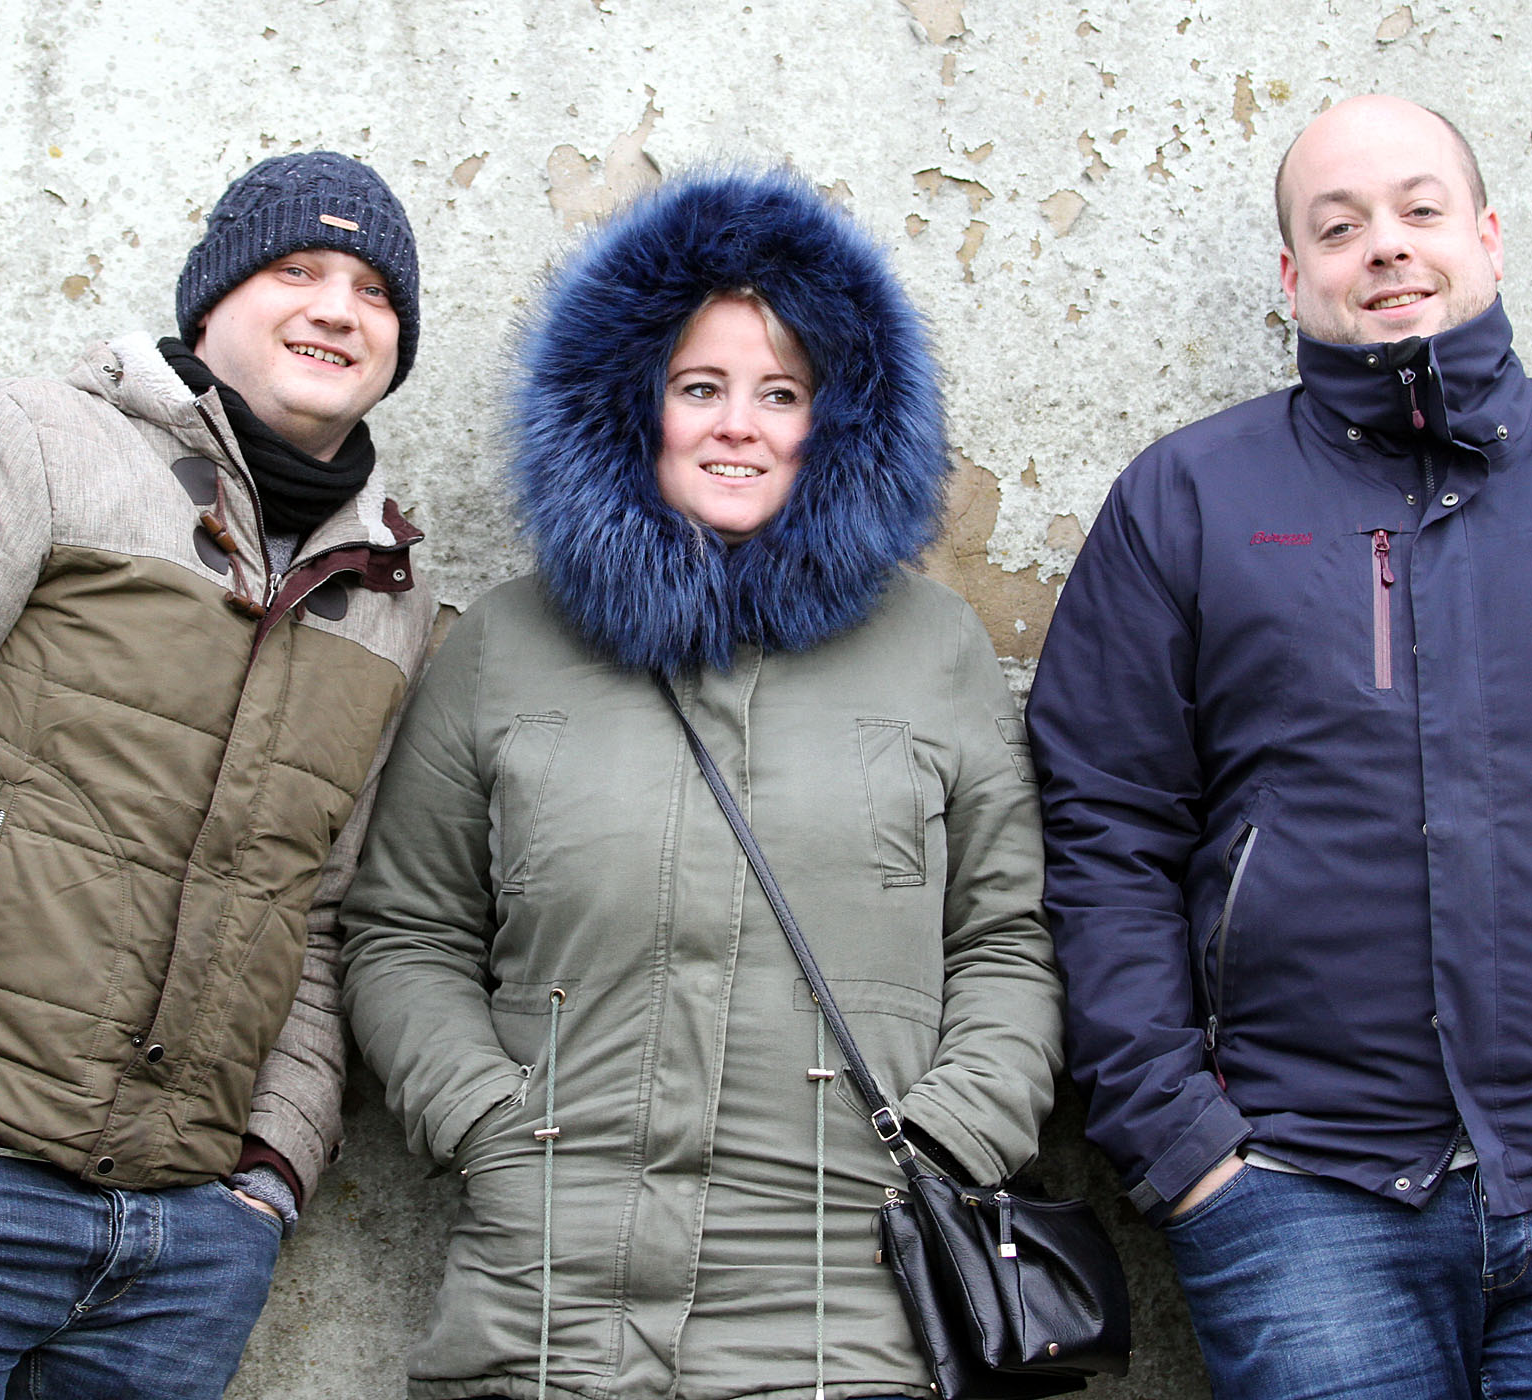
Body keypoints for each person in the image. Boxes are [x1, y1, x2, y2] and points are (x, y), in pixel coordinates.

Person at [1029, 94, 1532, 1399]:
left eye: (1419, 209)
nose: (1385, 244)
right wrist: (1189, 1152)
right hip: (1305, 1201)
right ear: (1293, 276)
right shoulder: (1186, 498)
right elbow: (1101, 832)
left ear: (1488, 236)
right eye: (1339, 227)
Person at [340, 168, 1062, 1400]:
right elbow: (405, 929)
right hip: (544, 1307)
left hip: (848, 1310)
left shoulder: (935, 647)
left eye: (782, 393)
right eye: (700, 387)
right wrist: (486, 1124)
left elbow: (1006, 937)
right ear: (635, 405)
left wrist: (949, 1138)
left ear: (840, 420)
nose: (740, 424)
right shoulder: (505, 643)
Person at [0, 150, 433, 1399]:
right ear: (211, 302)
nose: (339, 309)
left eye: (375, 292)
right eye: (297, 270)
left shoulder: (389, 592)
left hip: (186, 1247)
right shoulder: (32, 445)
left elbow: (322, 908)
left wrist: (267, 1175)